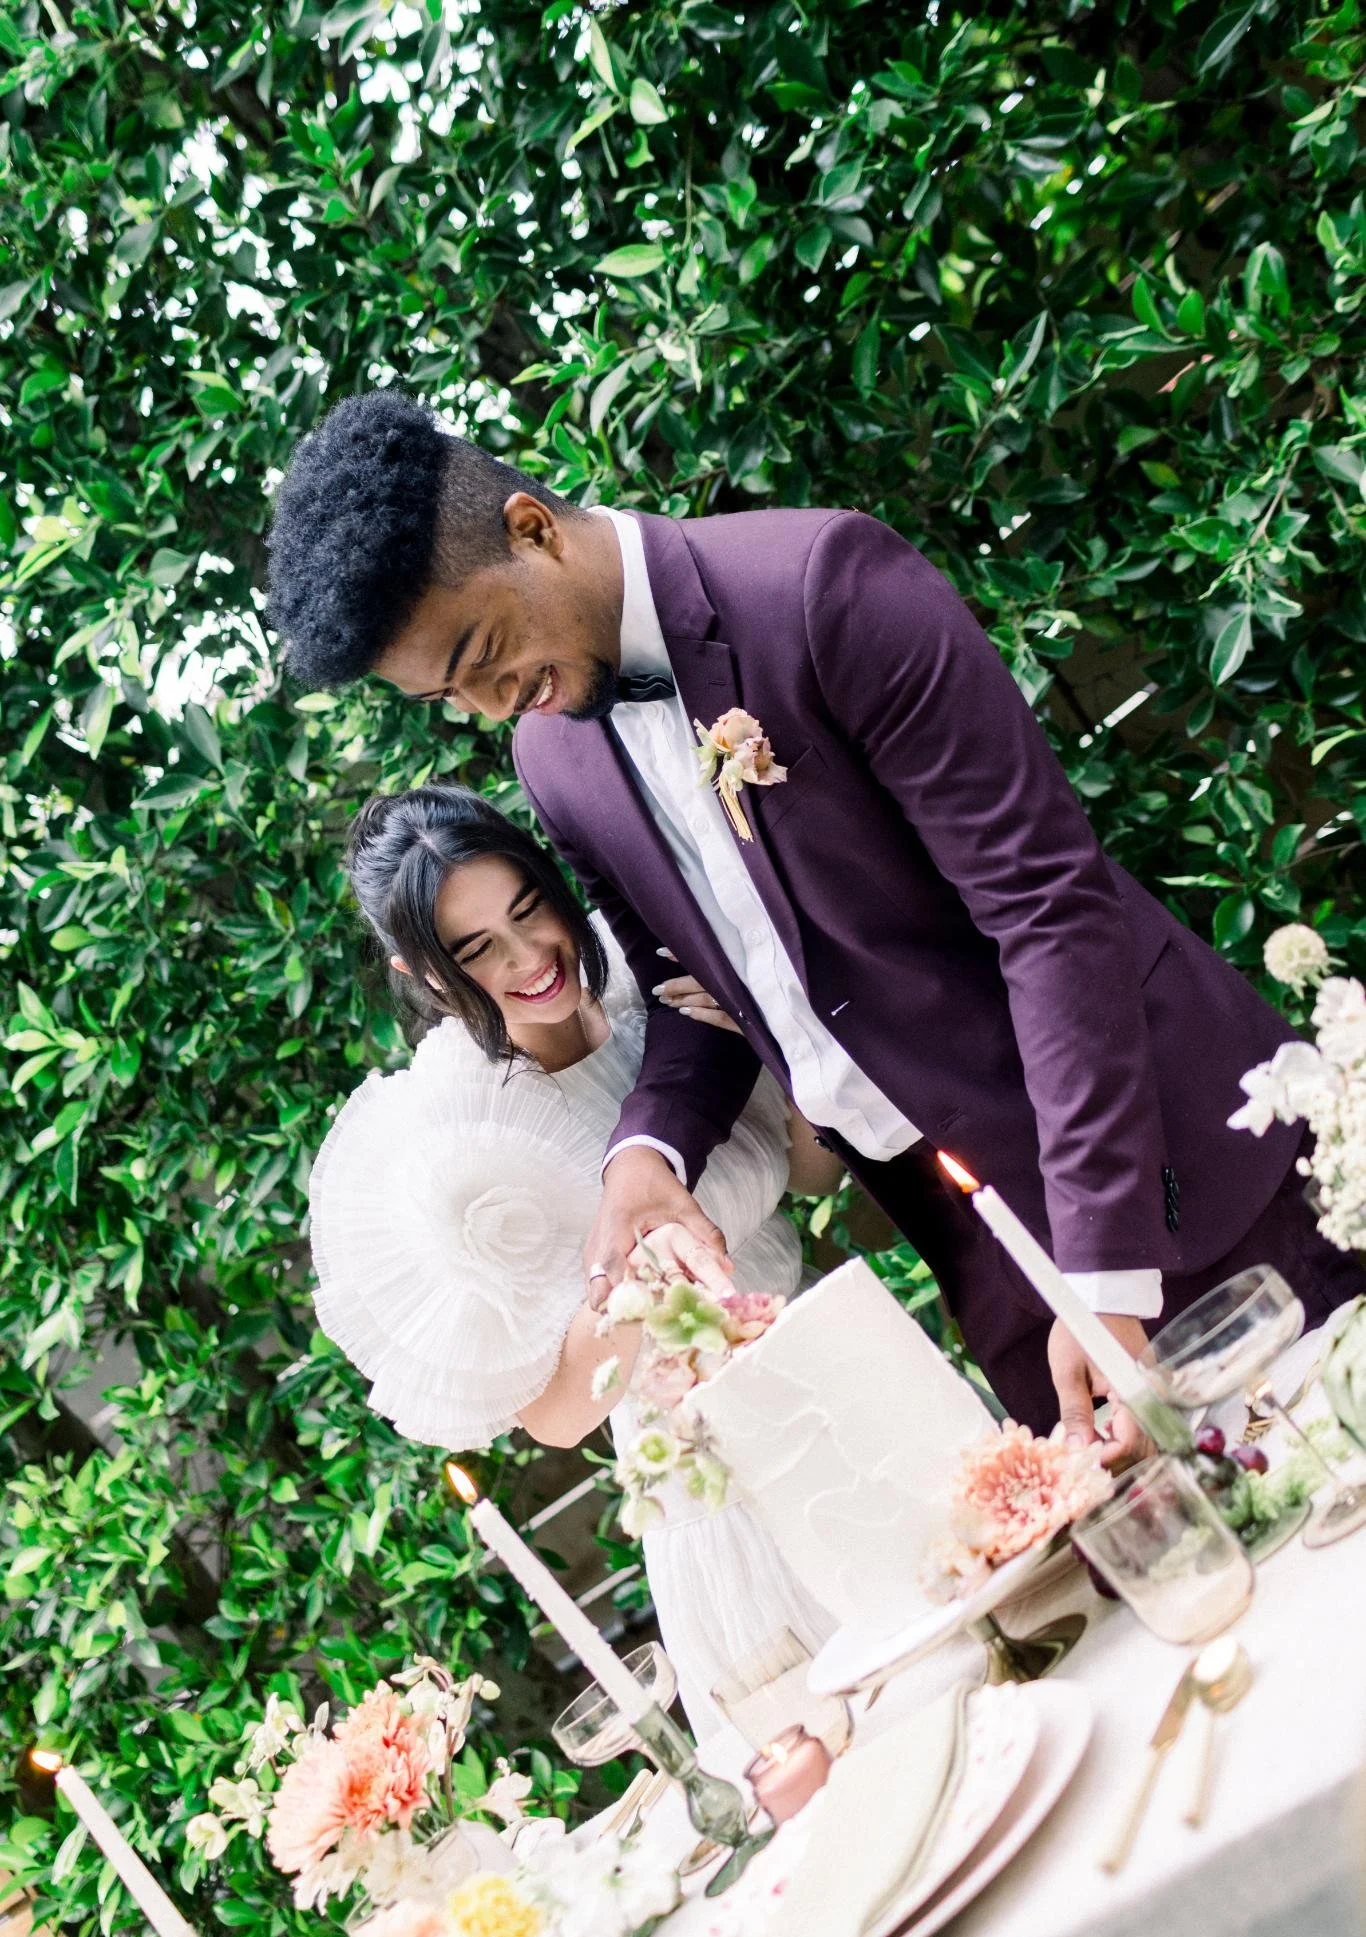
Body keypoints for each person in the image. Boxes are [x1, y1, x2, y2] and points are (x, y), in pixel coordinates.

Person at [269, 392, 1365, 1461]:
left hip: (1177, 1172)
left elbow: (1049, 911)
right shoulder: (553, 758)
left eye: (484, 654)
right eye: (450, 699)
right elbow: (695, 994)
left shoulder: (822, 585)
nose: (494, 705)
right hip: (984, 1253)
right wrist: (646, 1152)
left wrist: (1107, 1267)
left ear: (532, 529)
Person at [307, 784, 837, 1737]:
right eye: (477, 951)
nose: (529, 960)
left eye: (529, 911)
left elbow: (806, 1173)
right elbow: (553, 1415)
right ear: (424, 975)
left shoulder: (654, 987)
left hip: (840, 1378)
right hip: (722, 1486)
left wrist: (780, 1036)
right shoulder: (459, 1137)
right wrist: (635, 1282)